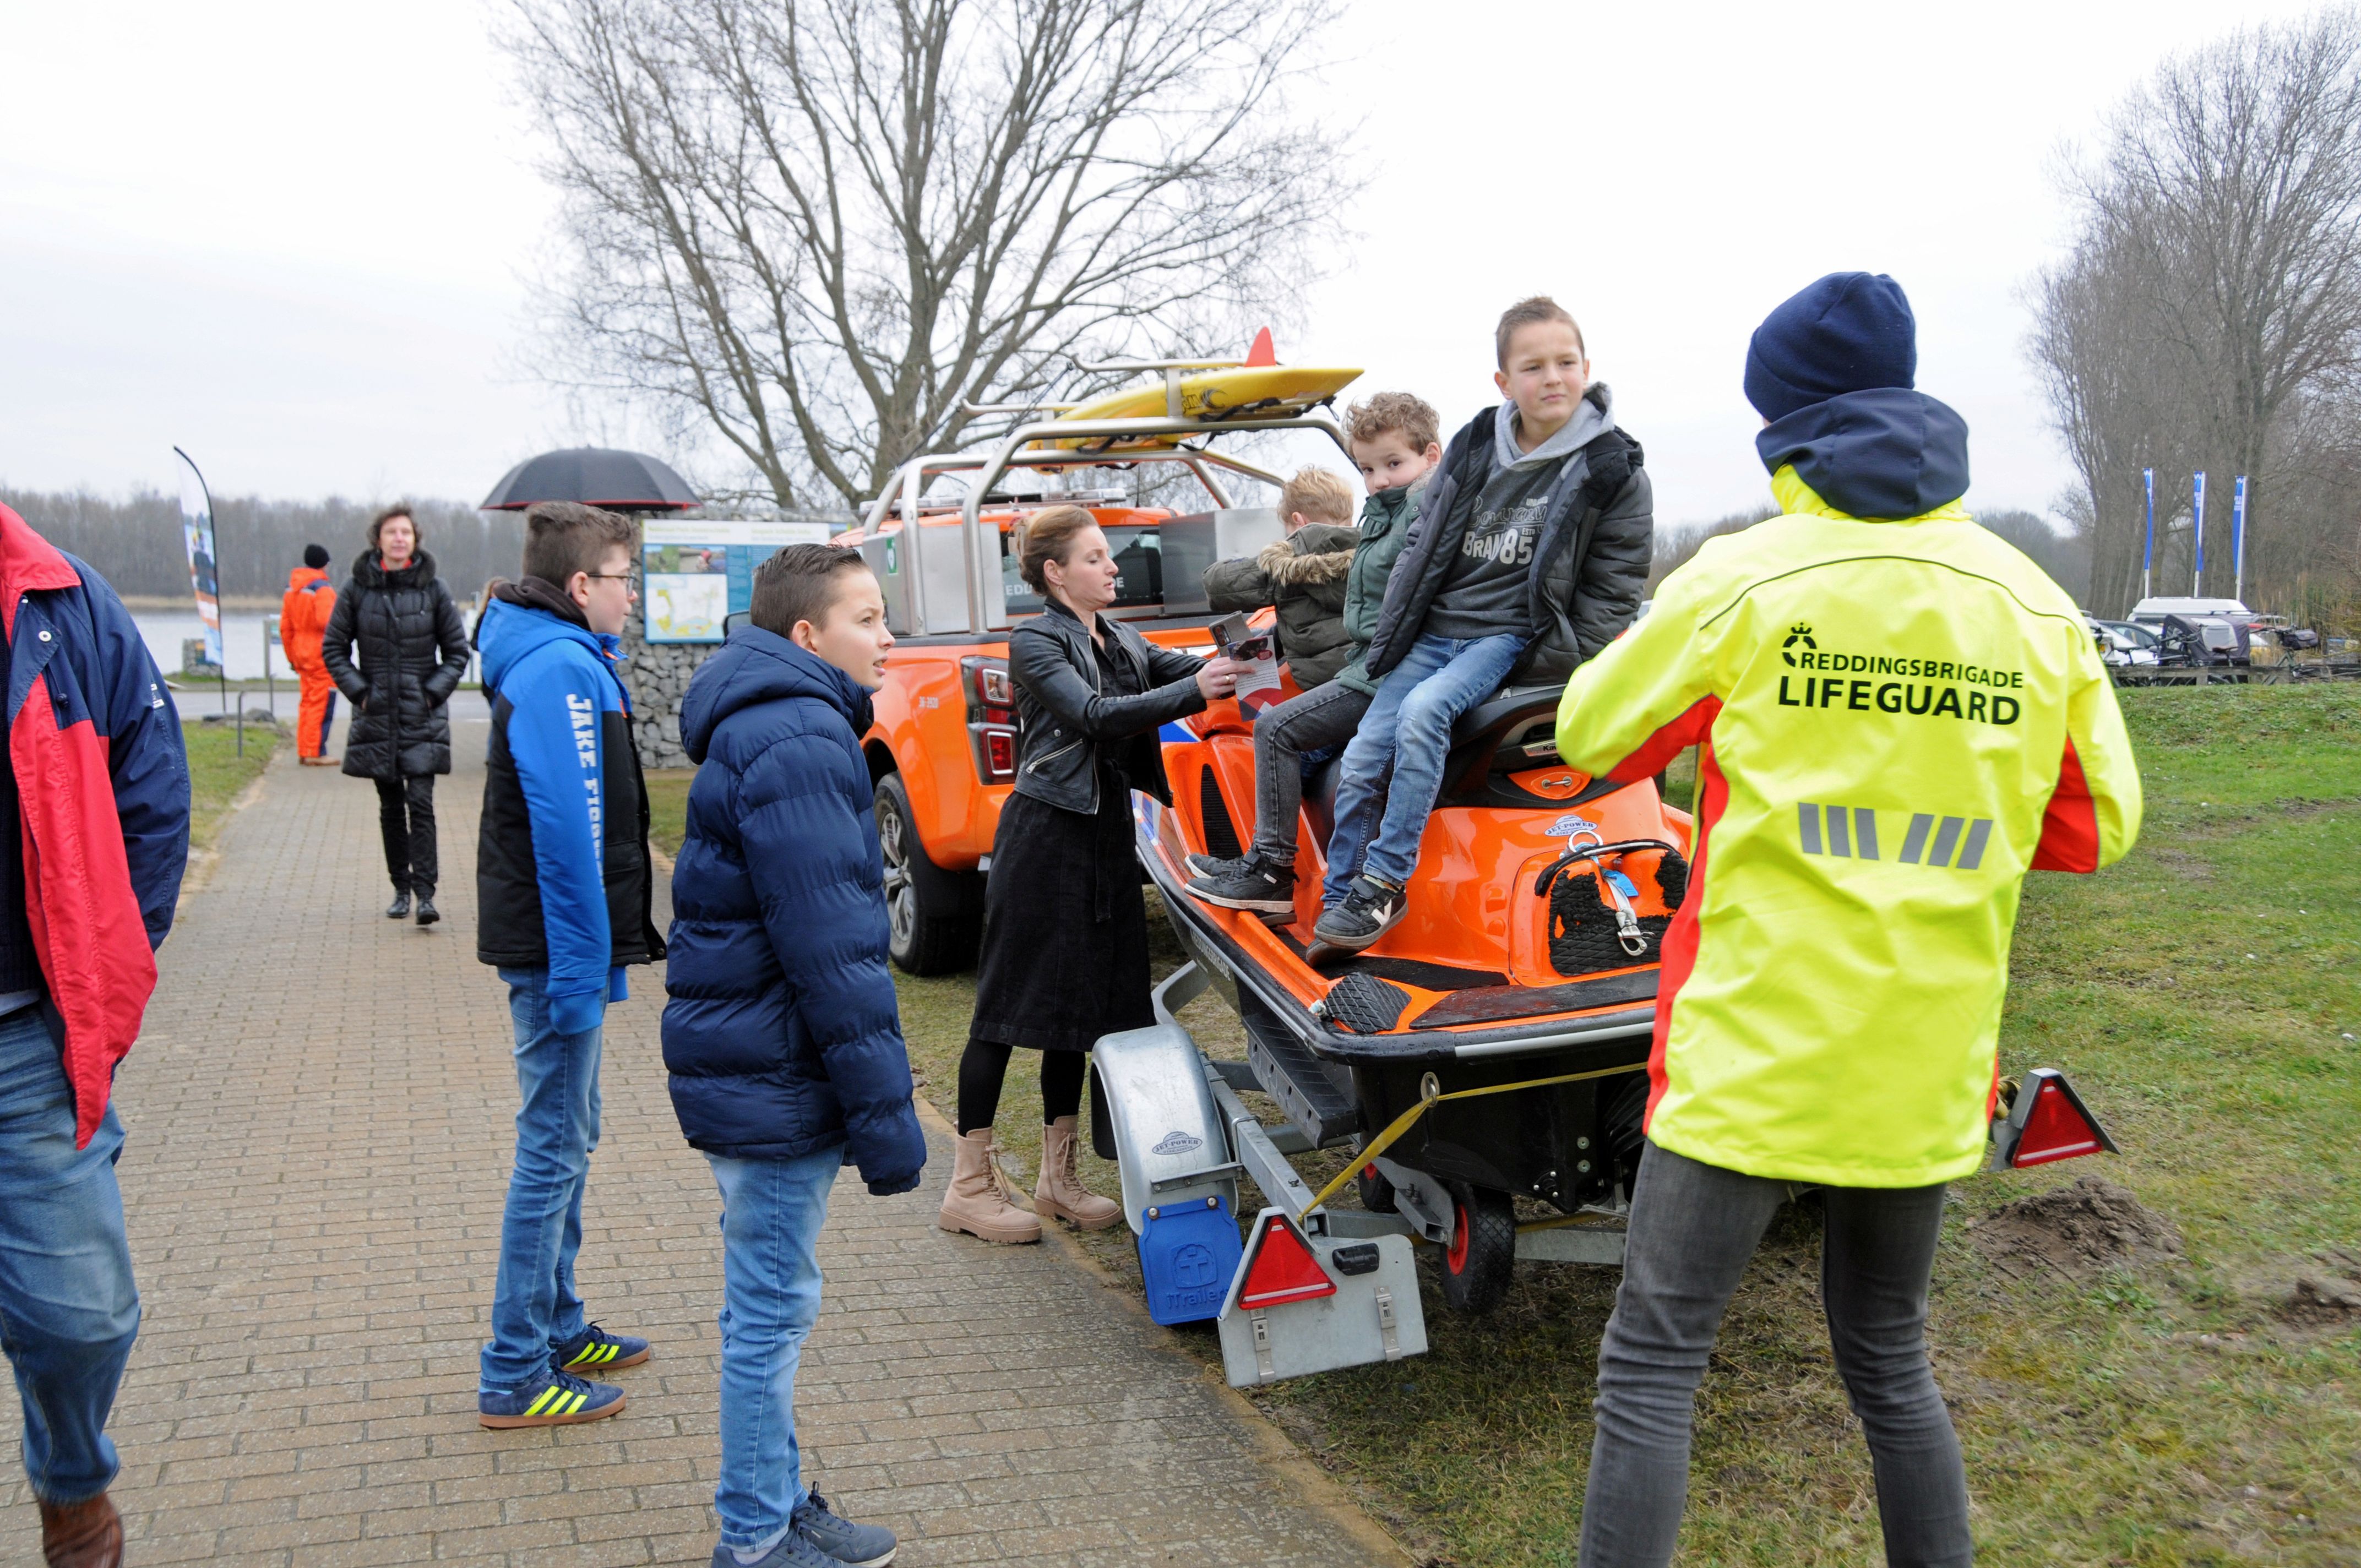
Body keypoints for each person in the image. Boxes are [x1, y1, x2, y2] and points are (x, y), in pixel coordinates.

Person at [1554, 273, 2143, 1568]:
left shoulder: (1742, 577)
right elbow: (2096, 822)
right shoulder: (2026, 598)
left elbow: (1591, 732)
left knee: (1652, 1362)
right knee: (1889, 1360)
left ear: (1784, 431)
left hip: (1748, 1055)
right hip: (1923, 1063)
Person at [663, 543, 926, 1568]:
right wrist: (889, 1123)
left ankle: (774, 1498)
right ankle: (754, 1535)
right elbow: (836, 958)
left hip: (753, 1062)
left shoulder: (772, 721)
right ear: (808, 636)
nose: (889, 634)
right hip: (772, 1074)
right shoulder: (804, 739)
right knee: (769, 1315)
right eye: (868, 617)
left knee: (769, 1304)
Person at [938, 506, 1243, 1244]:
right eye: (1097, 556)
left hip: (1105, 837)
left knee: (1078, 1016)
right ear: (1055, 572)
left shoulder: (1121, 637)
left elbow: (1191, 671)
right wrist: (1199, 690)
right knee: (1006, 1011)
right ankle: (967, 1188)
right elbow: (1097, 715)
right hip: (1046, 839)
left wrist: (1250, 649)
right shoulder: (1036, 641)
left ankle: (1057, 1180)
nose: (1114, 567)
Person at [1313, 298, 1653, 952]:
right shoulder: (1474, 447)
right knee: (1358, 758)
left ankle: (1384, 883)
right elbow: (1420, 545)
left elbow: (1615, 588)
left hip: (1503, 635)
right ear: (1504, 382)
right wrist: (1396, 623)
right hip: (1435, 630)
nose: (1551, 378)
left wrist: (1550, 657)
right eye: (1533, 366)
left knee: (1424, 716)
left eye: (1565, 362)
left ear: (1586, 368)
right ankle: (1337, 903)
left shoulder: (1612, 471)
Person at [0, 503, 190, 1568]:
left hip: (26, 1037)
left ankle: (71, 1484)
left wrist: (111, 972)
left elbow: (156, 793)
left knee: (85, 1315)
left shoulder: (61, 600)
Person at [471, 501, 667, 1430]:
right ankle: (513, 1368)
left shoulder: (570, 659)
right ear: (583, 585)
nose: (635, 594)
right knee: (550, 1150)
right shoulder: (556, 668)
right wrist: (586, 972)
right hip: (556, 954)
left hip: (566, 949)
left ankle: (554, 1321)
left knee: (570, 1136)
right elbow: (568, 830)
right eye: (625, 577)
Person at [1185, 394, 1444, 914]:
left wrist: (1287, 555)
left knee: (1273, 730)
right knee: (1295, 761)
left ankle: (1273, 872)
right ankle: (1270, 862)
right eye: (1370, 468)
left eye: (1392, 465)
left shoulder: (1322, 550)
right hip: (1375, 673)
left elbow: (1220, 583)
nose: (1380, 479)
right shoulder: (1377, 526)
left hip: (1377, 678)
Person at [320, 505, 471, 925]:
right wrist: (360, 693)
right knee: (390, 805)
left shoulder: (434, 589)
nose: (400, 538)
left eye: (406, 532)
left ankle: (426, 894)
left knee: (420, 802)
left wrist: (431, 694)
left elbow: (457, 652)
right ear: (379, 540)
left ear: (415, 539)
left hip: (422, 715)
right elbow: (334, 648)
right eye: (392, 532)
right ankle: (400, 889)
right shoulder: (356, 589)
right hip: (377, 714)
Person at [1202, 466, 1359, 689]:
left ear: (1298, 521)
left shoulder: (1289, 568)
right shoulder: (1374, 554)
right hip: (1370, 673)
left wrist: (1276, 554)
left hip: (1326, 686)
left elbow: (1216, 584)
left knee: (1271, 725)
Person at [280, 542, 340, 765]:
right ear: (325, 564)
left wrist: (292, 657)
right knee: (321, 703)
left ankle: (305, 750)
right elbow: (329, 623)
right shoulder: (322, 589)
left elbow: (285, 628)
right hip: (321, 655)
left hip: (300, 653)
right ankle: (316, 753)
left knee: (307, 703)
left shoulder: (292, 589)